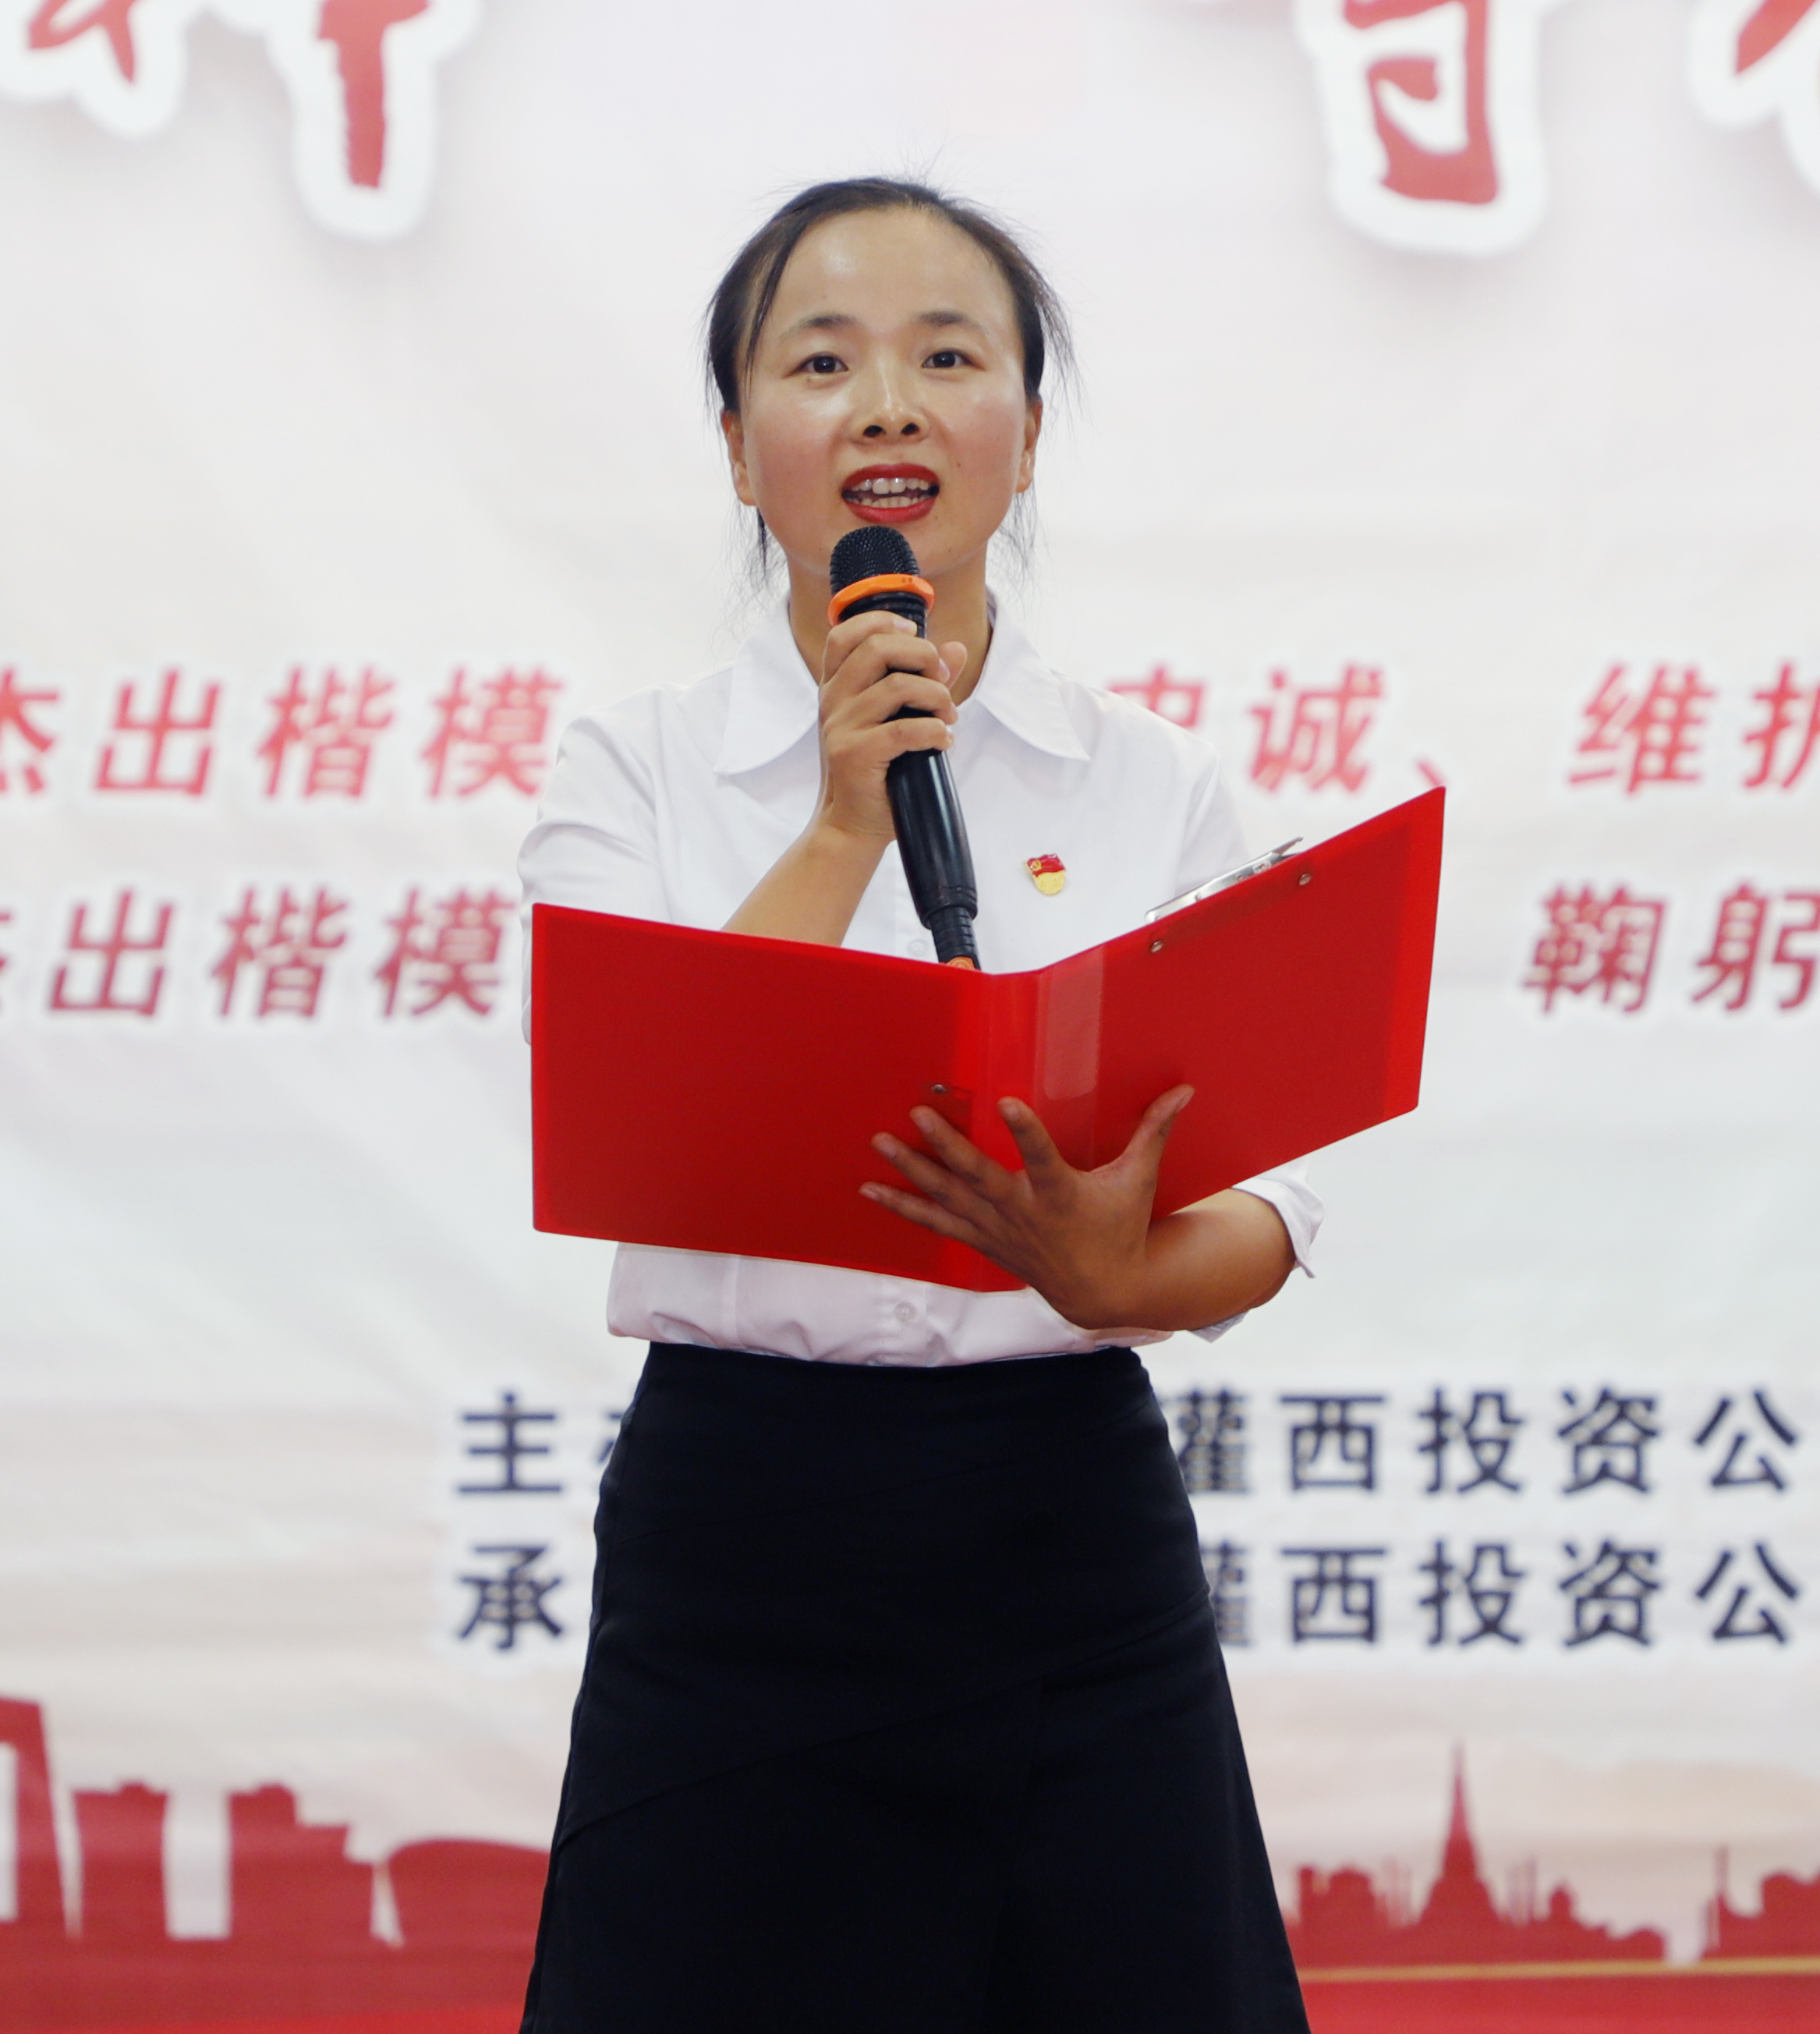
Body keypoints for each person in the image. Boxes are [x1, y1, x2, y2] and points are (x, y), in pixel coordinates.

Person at [517, 176, 1318, 2034]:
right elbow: (644, 1125)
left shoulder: (1153, 784)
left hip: (1068, 1534)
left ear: (1024, 433)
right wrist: (837, 820)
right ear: (742, 449)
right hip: (745, 1536)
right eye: (821, 362)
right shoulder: (633, 771)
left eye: (949, 358)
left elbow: (1284, 1198)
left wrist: (1123, 1274)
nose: (886, 404)